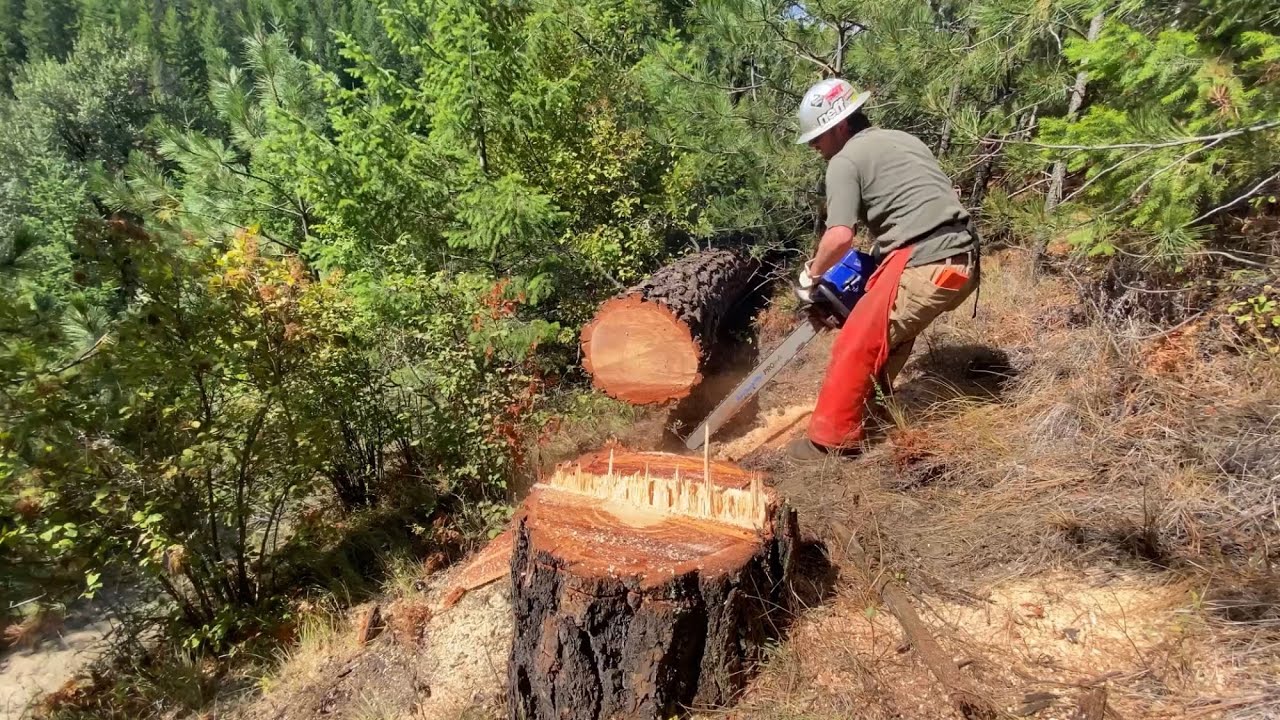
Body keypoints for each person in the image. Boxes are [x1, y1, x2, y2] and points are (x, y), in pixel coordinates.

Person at [788, 77, 980, 461]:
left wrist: (813, 275)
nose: (815, 146)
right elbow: (915, 205)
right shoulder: (904, 140)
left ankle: (831, 443)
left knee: (856, 342)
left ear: (841, 125)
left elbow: (840, 236)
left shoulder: (844, 161)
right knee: (888, 337)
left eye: (819, 137)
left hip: (927, 262)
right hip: (961, 258)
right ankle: (873, 416)